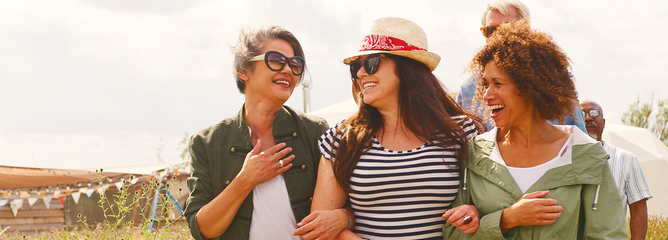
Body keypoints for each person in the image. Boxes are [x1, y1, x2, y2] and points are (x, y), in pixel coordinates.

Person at [293, 17, 485, 240]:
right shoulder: (341, 139)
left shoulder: (461, 132)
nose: (360, 74)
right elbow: (320, 228)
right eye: (356, 66)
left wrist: (475, 212)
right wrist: (347, 216)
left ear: (407, 69)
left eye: (371, 62)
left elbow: (486, 203)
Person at [442, 20, 628, 240]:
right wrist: (506, 219)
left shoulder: (586, 155)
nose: (486, 95)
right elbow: (453, 235)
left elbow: (609, 236)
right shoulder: (475, 154)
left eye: (498, 84)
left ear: (531, 87)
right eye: (485, 84)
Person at [183, 25, 336, 240]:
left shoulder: (315, 131)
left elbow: (348, 204)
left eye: (295, 64)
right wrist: (245, 179)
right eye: (276, 60)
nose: (288, 70)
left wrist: (344, 217)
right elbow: (202, 230)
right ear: (243, 70)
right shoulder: (208, 142)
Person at [455, 0, 586, 132]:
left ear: (526, 30)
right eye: (490, 30)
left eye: (508, 27)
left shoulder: (554, 86)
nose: (498, 36)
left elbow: (582, 147)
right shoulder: (468, 91)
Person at [580, 99, 653, 240]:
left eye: (594, 113)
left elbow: (638, 209)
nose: (588, 117)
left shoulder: (626, 159)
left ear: (604, 122)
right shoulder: (563, 159)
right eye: (582, 113)